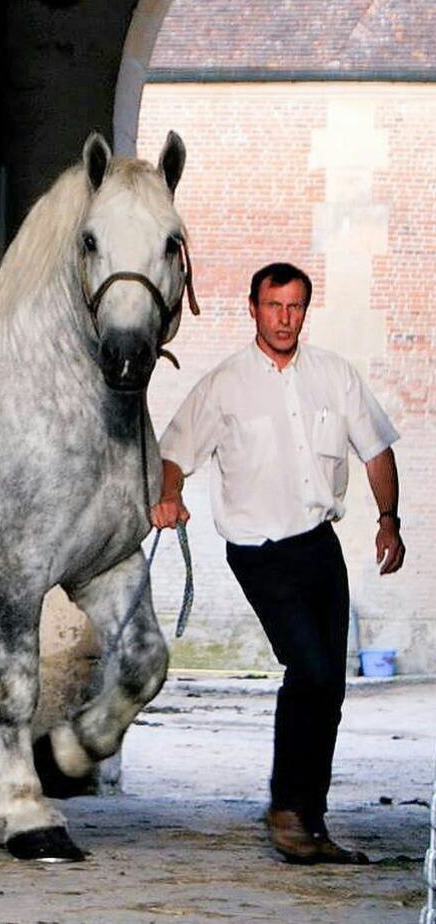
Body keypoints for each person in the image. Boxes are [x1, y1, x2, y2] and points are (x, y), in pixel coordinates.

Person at [151, 261, 405, 865]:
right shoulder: (225, 384)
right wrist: (169, 495)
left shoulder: (335, 376)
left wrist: (388, 519)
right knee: (311, 670)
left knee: (332, 687)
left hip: (320, 544)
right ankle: (287, 810)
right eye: (273, 306)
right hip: (260, 553)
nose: (284, 318)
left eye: (294, 307)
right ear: (253, 308)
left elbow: (375, 449)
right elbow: (175, 452)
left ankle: (309, 818)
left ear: (304, 312)